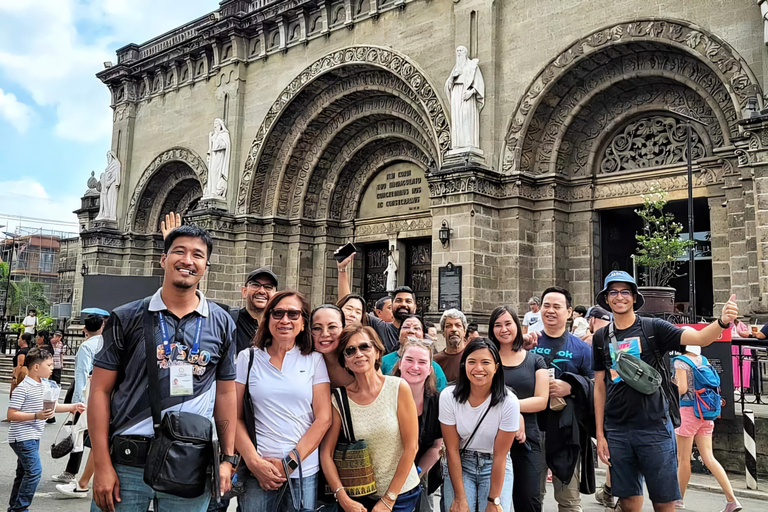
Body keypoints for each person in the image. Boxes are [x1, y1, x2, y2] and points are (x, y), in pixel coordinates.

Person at [89, 225, 237, 512]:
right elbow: (99, 391)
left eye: (198, 255)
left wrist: (227, 459)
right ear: (163, 259)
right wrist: (102, 464)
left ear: (206, 266)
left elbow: (226, 394)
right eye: (179, 251)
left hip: (190, 461)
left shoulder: (221, 322)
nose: (188, 260)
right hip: (127, 462)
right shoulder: (127, 316)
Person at [592, 270, 739, 512]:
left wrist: (722, 322)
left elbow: (700, 338)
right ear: (606, 298)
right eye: (613, 292)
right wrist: (601, 433)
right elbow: (600, 386)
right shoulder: (600, 337)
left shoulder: (653, 328)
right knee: (628, 503)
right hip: (618, 430)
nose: (620, 297)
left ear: (634, 297)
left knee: (664, 504)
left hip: (655, 429)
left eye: (625, 292)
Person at [235, 290, 332, 511]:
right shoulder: (248, 358)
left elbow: (323, 419)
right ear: (267, 318)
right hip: (258, 469)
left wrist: (290, 462)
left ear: (303, 322)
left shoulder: (314, 360)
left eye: (293, 314)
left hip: (302, 470)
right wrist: (253, 461)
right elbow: (234, 416)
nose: (285, 320)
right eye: (277, 313)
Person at [320, 323, 422, 512]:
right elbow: (326, 453)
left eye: (364, 346)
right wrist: (341, 496)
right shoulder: (339, 400)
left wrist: (389, 500)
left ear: (376, 351)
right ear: (345, 361)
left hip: (401, 495)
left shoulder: (398, 388)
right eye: (350, 351)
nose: (358, 354)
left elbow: (411, 447)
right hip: (358, 497)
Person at [531, 286, 594, 512]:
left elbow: (596, 386)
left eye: (557, 307)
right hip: (532, 429)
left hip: (567, 431)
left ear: (569, 312)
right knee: (531, 496)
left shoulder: (582, 349)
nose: (550, 311)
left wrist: (571, 386)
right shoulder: (530, 343)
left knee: (569, 500)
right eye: (546, 306)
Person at [440, 338, 520, 512]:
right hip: (461, 461)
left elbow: (501, 454)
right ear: (464, 365)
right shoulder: (448, 396)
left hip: (495, 462)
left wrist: (493, 500)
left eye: (485, 362)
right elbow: (451, 449)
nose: (478, 369)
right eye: (471, 362)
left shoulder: (509, 402)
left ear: (496, 367)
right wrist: (460, 498)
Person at [7, 347, 86, 512]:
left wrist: (74, 406)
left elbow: (53, 407)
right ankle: (20, 509)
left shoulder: (46, 385)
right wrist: (36, 416)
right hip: (22, 437)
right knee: (34, 472)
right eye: (49, 365)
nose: (52, 368)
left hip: (33, 436)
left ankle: (14, 506)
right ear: (36, 367)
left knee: (23, 472)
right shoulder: (23, 388)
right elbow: (12, 414)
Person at [489, 306, 548, 512]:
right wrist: (514, 413)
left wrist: (511, 408)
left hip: (527, 439)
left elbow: (541, 400)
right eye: (497, 325)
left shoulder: (535, 360)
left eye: (508, 323)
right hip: (490, 437)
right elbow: (481, 396)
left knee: (529, 499)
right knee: (493, 500)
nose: (503, 329)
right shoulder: (487, 359)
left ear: (517, 325)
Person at [673, 344, 742, 512]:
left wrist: (673, 381)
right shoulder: (702, 360)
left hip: (688, 412)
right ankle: (732, 500)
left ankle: (678, 500)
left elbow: (681, 389)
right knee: (709, 458)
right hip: (706, 411)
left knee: (683, 459)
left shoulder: (680, 362)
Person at [54, 313, 106, 496]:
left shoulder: (86, 346)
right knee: (95, 437)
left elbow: (81, 375)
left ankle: (71, 473)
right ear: (103, 326)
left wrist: (77, 403)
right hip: (104, 395)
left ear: (85, 329)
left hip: (86, 395)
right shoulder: (108, 343)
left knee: (79, 435)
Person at [393, 340, 443, 512]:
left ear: (430, 369)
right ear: (400, 364)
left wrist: (415, 474)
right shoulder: (383, 395)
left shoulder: (437, 401)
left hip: (420, 474)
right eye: (409, 360)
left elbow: (437, 446)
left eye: (422, 362)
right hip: (384, 476)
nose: (415, 366)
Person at [336, 250, 418, 354]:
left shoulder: (422, 334)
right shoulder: (380, 327)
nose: (403, 304)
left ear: (415, 306)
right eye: (398, 300)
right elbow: (349, 304)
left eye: (408, 301)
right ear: (392, 306)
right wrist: (342, 269)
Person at [380, 315, 448, 391]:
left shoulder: (435, 368)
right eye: (406, 327)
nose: (411, 331)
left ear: (423, 335)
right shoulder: (382, 362)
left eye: (416, 328)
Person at [233, 268, 279, 353]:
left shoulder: (279, 327)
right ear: (244, 291)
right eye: (255, 285)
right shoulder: (230, 321)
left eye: (268, 287)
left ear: (275, 296)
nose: (262, 291)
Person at [311, 304, 354, 388]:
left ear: (344, 329)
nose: (325, 334)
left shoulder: (358, 355)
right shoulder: (304, 362)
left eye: (332, 327)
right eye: (317, 328)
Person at [434, 309, 468, 384]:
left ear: (464, 331)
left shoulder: (472, 356)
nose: (453, 329)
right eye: (448, 326)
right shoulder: (435, 361)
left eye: (458, 325)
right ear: (443, 332)